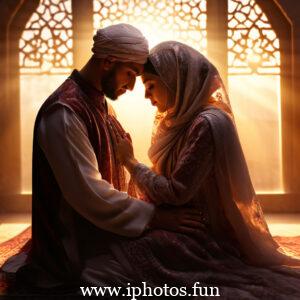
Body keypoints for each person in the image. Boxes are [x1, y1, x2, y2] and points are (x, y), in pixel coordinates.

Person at [1, 26, 202, 292]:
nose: (131, 87)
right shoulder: (64, 113)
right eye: (130, 74)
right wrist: (155, 217)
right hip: (73, 247)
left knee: (190, 250)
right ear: (108, 62)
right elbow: (90, 194)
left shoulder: (98, 103)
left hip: (104, 229)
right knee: (171, 270)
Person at [108, 41, 300, 298]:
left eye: (151, 86)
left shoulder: (207, 124)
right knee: (116, 241)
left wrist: (130, 162)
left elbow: (176, 192)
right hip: (180, 221)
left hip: (202, 232)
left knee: (126, 253)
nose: (146, 96)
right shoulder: (178, 118)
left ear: (175, 81)